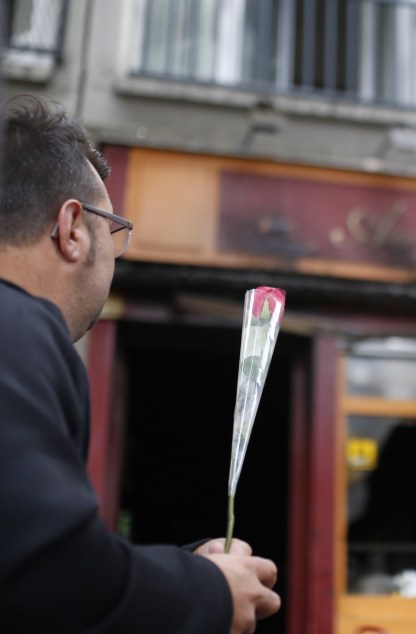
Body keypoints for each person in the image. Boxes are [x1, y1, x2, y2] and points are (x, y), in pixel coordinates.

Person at [0, 93, 281, 633]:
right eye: (114, 230)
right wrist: (210, 592)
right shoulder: (21, 328)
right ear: (73, 229)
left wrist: (186, 573)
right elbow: (50, 578)